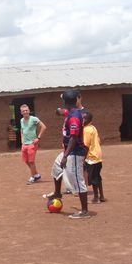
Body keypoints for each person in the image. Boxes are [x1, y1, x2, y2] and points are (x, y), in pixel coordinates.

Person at [46, 90, 91, 219]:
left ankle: (84, 211)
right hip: (69, 151)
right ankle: (57, 193)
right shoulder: (70, 113)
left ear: (65, 102)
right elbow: (61, 112)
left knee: (76, 179)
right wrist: (59, 111)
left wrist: (65, 156)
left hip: (74, 152)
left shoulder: (75, 118)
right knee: (56, 168)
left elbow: (74, 138)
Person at [82, 110, 106, 204]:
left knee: (93, 178)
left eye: (85, 118)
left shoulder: (86, 130)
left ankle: (96, 198)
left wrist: (83, 159)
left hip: (92, 157)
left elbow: (86, 146)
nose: (82, 120)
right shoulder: (93, 128)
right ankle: (102, 196)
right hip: (97, 155)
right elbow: (99, 141)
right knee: (97, 176)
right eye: (82, 118)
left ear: (89, 120)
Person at [20, 104, 47, 184]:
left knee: (31, 161)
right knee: (26, 161)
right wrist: (22, 140)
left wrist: (38, 138)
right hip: (24, 144)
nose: (25, 112)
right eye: (23, 111)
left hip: (32, 144)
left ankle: (33, 177)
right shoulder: (21, 120)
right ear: (21, 112)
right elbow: (22, 130)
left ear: (29, 111)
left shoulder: (34, 119)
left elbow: (44, 127)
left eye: (26, 110)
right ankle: (36, 175)